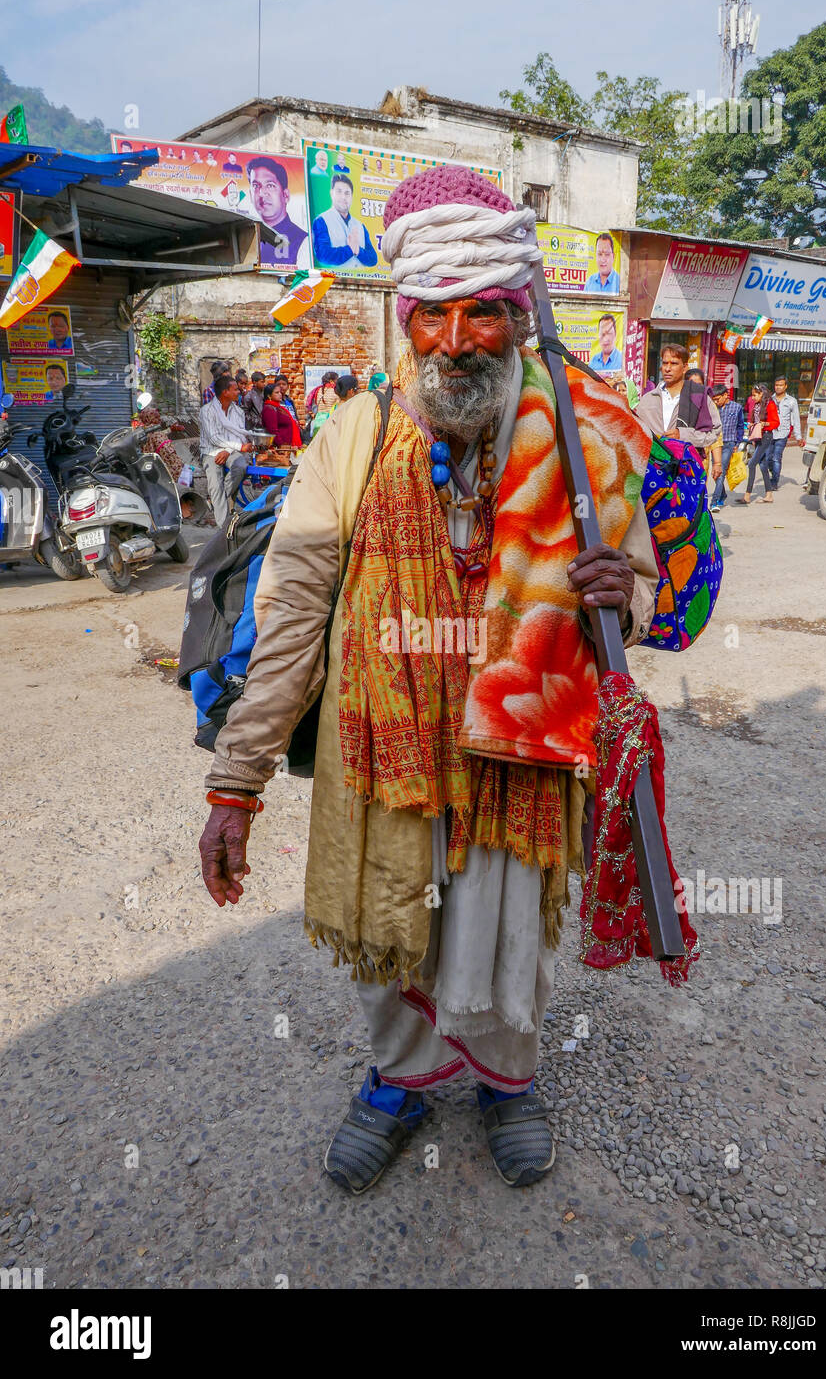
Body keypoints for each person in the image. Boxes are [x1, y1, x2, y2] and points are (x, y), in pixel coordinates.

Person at [197, 164, 671, 1198]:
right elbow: (289, 613)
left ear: (516, 315)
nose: (456, 342)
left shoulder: (581, 445)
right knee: (392, 909)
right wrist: (235, 781)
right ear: (402, 321)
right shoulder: (353, 436)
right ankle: (401, 1078)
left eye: (484, 316)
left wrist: (614, 590)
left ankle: (508, 1076)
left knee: (510, 917)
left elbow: (639, 604)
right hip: (388, 741)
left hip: (521, 749)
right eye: (433, 318)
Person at [634, 343, 722, 453]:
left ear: (684, 367)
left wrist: (683, 435)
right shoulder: (648, 399)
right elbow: (636, 432)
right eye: (665, 363)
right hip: (652, 465)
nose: (668, 368)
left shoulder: (698, 396)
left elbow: (714, 430)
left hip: (686, 464)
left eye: (674, 363)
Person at [198, 374, 253, 527]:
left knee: (240, 466)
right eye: (235, 389)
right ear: (225, 392)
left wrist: (229, 450)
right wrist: (238, 447)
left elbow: (238, 435)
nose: (239, 392)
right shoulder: (207, 411)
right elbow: (214, 438)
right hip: (211, 451)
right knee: (215, 484)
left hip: (230, 449)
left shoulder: (238, 411)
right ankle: (224, 527)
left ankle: (215, 501)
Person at [247, 157, 310, 266]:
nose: (262, 193)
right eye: (256, 186)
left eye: (270, 185)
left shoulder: (302, 241)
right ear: (250, 194)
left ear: (285, 195)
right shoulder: (246, 238)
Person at [312, 174, 377, 269]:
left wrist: (358, 250)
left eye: (347, 193)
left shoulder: (360, 225)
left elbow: (373, 259)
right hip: (332, 281)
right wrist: (350, 249)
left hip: (360, 281)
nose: (343, 197)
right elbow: (323, 255)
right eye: (339, 192)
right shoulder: (322, 220)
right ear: (331, 193)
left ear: (351, 197)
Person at [741, 383, 779, 504]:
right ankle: (769, 495)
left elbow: (776, 422)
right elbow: (753, 419)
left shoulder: (770, 404)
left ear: (762, 393)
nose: (753, 398)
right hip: (757, 436)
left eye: (755, 395)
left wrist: (765, 424)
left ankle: (747, 495)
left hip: (766, 436)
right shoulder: (756, 405)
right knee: (762, 466)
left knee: (751, 464)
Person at [708, 384, 744, 513]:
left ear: (725, 395)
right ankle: (722, 495)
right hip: (715, 443)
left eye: (718, 399)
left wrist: (737, 443)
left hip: (729, 444)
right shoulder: (712, 408)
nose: (716, 402)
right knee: (716, 473)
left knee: (721, 471)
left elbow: (740, 426)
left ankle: (714, 502)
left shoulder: (737, 407)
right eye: (714, 400)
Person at [768, 375, 802, 493]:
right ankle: (774, 472)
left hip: (782, 433)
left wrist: (798, 437)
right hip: (769, 433)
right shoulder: (769, 399)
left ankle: (774, 482)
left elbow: (796, 419)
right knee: (768, 458)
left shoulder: (792, 401)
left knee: (776, 458)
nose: (778, 387)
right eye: (776, 385)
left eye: (781, 385)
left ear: (786, 386)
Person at [260, 381, 301, 453]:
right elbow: (273, 430)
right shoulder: (269, 409)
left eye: (280, 392)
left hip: (287, 446)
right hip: (280, 449)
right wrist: (281, 445)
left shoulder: (278, 407)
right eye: (276, 393)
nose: (280, 394)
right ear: (269, 396)